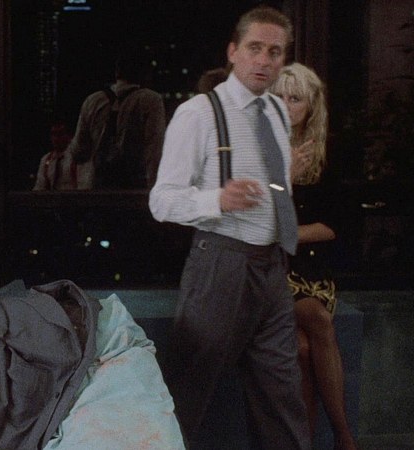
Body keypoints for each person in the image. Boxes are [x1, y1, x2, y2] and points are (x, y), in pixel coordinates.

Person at [149, 6, 310, 449]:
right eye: (255, 48)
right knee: (188, 391)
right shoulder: (199, 114)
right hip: (221, 263)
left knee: (283, 395)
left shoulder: (276, 111)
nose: (264, 60)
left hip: (272, 266)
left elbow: (273, 184)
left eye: (275, 52)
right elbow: (161, 200)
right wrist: (216, 200)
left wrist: (282, 186)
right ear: (233, 51)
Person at [271, 62, 358, 450]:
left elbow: (335, 226)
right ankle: (344, 437)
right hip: (271, 272)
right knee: (316, 322)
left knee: (306, 346)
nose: (286, 105)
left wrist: (288, 235)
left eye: (295, 99)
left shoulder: (328, 153)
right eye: (279, 97)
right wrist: (285, 178)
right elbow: (262, 220)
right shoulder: (258, 147)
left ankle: (317, 440)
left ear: (311, 106)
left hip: (312, 272)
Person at [68, 45, 166, 189]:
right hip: (133, 187)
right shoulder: (151, 101)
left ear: (117, 72)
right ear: (145, 73)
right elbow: (155, 149)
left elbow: (79, 151)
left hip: (98, 186)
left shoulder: (93, 101)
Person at [32, 121, 92, 190]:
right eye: (53, 134)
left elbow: (84, 185)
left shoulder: (78, 157)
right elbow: (39, 186)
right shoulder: (46, 160)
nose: (56, 138)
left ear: (70, 136)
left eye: (60, 134)